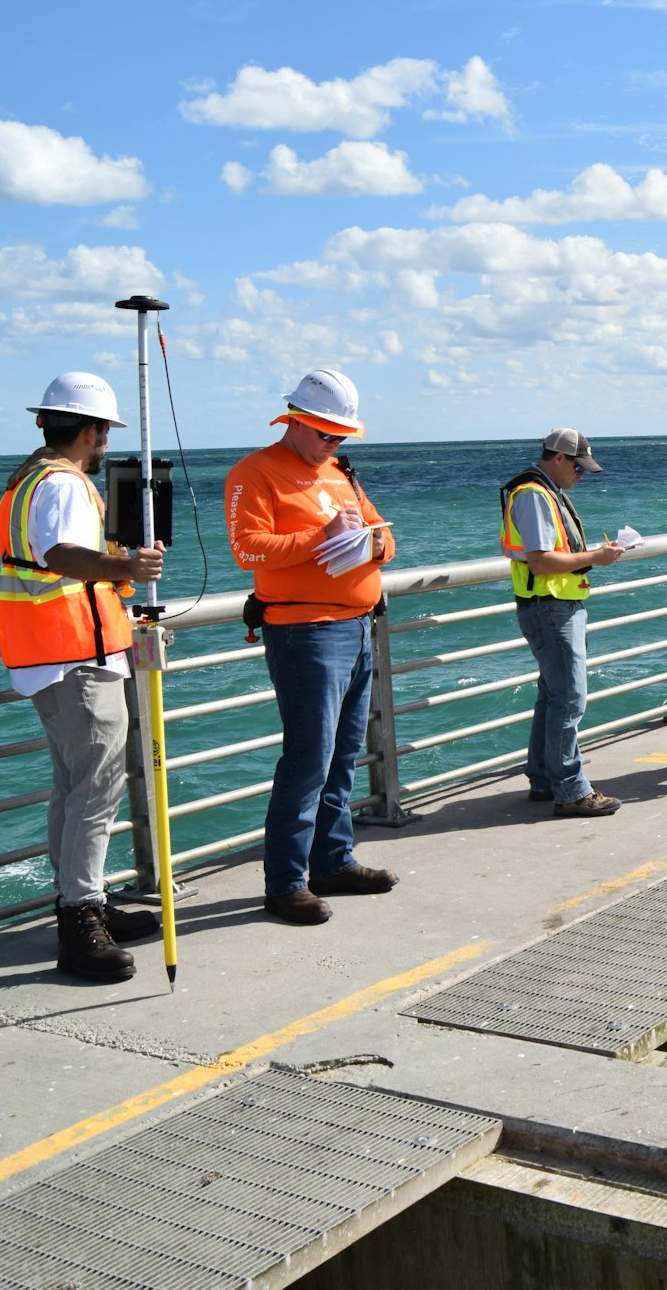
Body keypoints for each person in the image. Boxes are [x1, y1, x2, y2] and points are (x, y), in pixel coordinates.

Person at [0, 372, 166, 982]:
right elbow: (61, 556)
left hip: (50, 655)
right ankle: (81, 920)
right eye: (103, 435)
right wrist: (126, 563)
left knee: (73, 788)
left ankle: (82, 900)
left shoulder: (30, 480)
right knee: (94, 792)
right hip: (75, 658)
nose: (103, 448)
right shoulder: (64, 484)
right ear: (90, 431)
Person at [225, 369, 400, 925]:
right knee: (308, 759)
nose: (334, 444)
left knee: (342, 755)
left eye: (341, 436)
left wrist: (371, 543)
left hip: (357, 626)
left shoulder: (339, 471)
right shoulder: (255, 473)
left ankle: (331, 859)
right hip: (305, 633)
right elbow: (248, 551)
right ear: (294, 422)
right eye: (326, 434)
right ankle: (286, 882)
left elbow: (385, 538)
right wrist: (320, 538)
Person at [500, 429, 626, 817]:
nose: (581, 475)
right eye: (577, 466)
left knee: (553, 696)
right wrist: (596, 557)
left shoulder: (542, 493)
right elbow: (541, 561)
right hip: (550, 606)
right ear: (557, 457)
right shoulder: (536, 496)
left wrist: (593, 557)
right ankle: (570, 790)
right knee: (569, 699)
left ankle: (543, 777)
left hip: (553, 604)